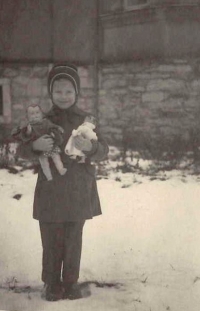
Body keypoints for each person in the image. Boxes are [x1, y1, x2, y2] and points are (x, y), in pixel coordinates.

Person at [17, 64, 109, 301]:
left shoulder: (86, 120)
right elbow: (22, 149)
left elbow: (104, 150)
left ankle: (70, 283)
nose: (64, 96)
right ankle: (51, 283)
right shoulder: (41, 120)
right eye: (58, 91)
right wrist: (34, 146)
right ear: (50, 93)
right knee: (50, 237)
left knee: (73, 238)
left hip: (78, 188)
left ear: (76, 93)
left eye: (69, 91)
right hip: (50, 189)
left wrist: (91, 148)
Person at [12, 104, 67, 181]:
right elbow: (25, 137)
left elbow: (53, 126)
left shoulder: (46, 122)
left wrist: (58, 128)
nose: (35, 115)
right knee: (44, 163)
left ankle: (61, 169)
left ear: (41, 114)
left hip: (51, 145)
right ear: (28, 117)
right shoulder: (30, 126)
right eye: (32, 114)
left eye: (37, 112)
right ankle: (48, 176)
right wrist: (28, 131)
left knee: (56, 157)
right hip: (40, 149)